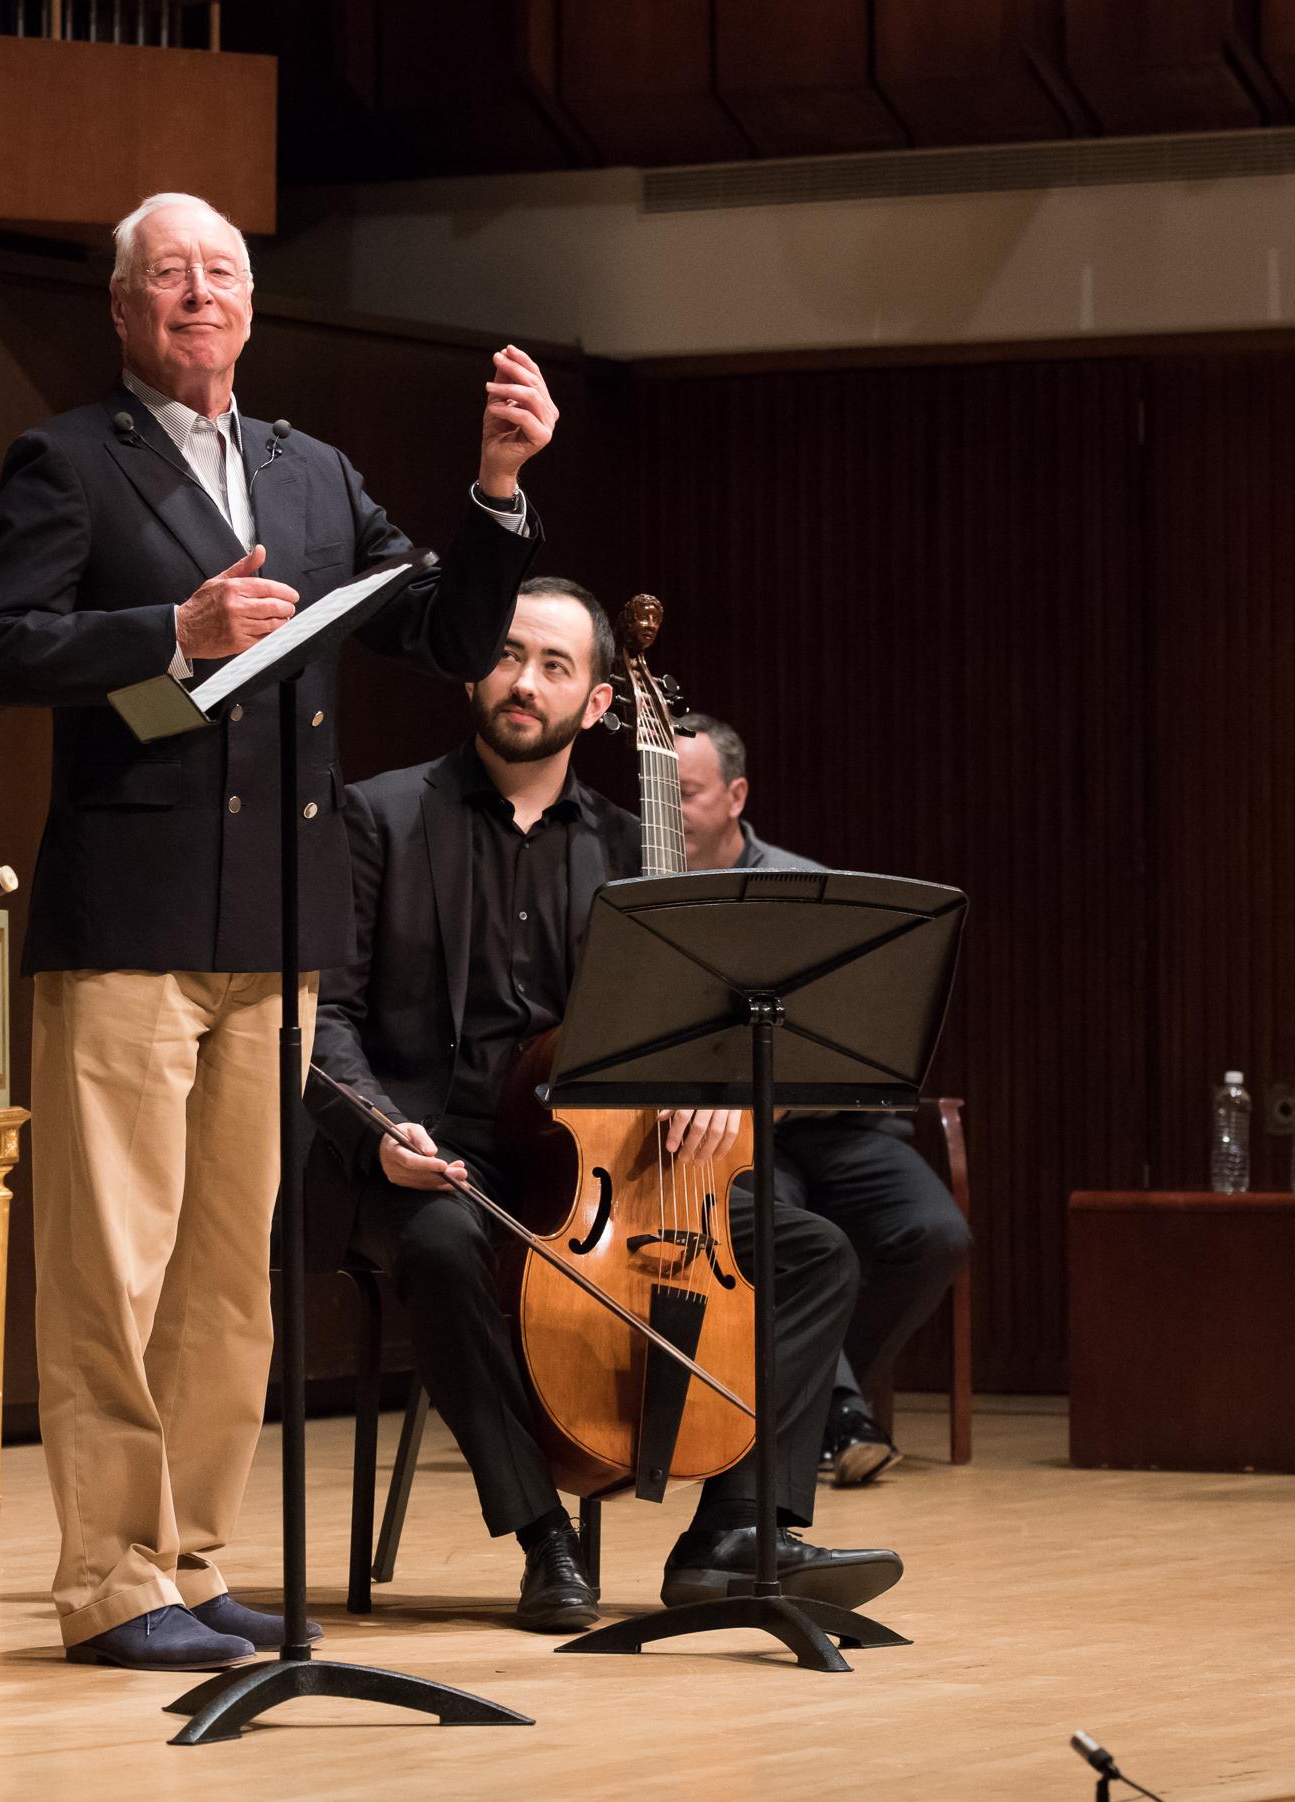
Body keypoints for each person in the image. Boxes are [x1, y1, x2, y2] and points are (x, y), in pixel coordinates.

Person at [0, 190, 556, 1671]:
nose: (199, 293)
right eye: (169, 275)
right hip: (132, 925)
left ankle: (195, 1556)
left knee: (227, 1277)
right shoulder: (69, 459)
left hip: (274, 933)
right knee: (117, 1272)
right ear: (123, 309)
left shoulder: (311, 469)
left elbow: (444, 631)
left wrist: (494, 488)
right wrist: (171, 632)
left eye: (222, 272)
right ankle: (109, 1574)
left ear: (252, 306)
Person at [306, 578, 904, 1632]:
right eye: (506, 653)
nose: (523, 680)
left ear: (596, 704)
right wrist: (378, 1130)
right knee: (444, 1246)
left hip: (602, 1165)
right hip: (440, 1150)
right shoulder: (381, 816)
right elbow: (329, 1014)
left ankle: (733, 1531)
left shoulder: (638, 847)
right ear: (470, 669)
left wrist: (716, 1093)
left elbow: (702, 1020)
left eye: (554, 665)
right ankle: (541, 1533)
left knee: (815, 1251)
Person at [674, 711, 973, 1485]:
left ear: (737, 795)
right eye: (656, 794)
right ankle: (838, 1417)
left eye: (688, 794)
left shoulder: (801, 888)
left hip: (833, 1123)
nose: (667, 812)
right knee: (785, 1236)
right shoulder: (643, 886)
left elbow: (851, 1031)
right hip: (729, 1137)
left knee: (937, 1233)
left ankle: (819, 1397)